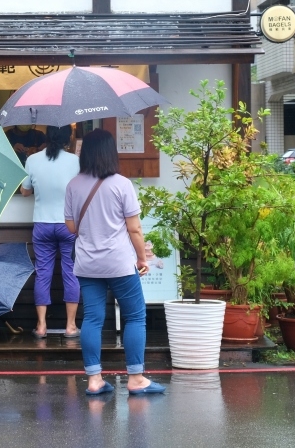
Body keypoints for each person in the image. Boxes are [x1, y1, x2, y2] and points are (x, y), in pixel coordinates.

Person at [64, 130, 164, 396]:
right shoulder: (122, 184)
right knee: (135, 316)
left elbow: (71, 227)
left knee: (93, 319)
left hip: (87, 263)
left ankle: (95, 380)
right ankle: (136, 378)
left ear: (84, 154)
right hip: (119, 263)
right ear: (111, 153)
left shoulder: (73, 185)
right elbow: (135, 230)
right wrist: (142, 258)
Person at [21, 125, 81, 338]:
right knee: (71, 272)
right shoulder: (75, 161)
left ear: (46, 136)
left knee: (43, 273)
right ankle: (71, 326)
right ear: (68, 137)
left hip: (42, 224)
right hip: (69, 224)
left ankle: (41, 326)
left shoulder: (33, 160)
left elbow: (25, 192)